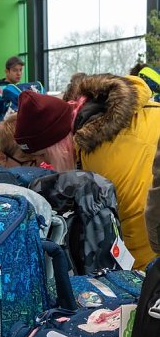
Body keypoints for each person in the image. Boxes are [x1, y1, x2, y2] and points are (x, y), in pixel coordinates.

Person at [14, 78, 160, 269]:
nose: (44, 164)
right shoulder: (95, 120)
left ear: (57, 145)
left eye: (43, 155)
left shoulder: (109, 156)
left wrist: (136, 281)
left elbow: (140, 232)